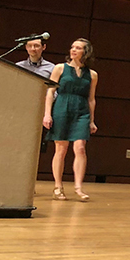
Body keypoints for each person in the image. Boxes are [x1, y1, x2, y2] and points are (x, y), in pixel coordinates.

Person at [43, 38, 97, 202]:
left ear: (85, 52)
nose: (73, 50)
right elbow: (50, 92)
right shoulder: (60, 68)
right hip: (62, 107)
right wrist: (47, 114)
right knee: (61, 148)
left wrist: (92, 121)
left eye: (78, 48)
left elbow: (91, 99)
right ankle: (58, 186)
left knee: (80, 147)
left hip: (81, 110)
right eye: (72, 47)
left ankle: (78, 187)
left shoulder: (92, 74)